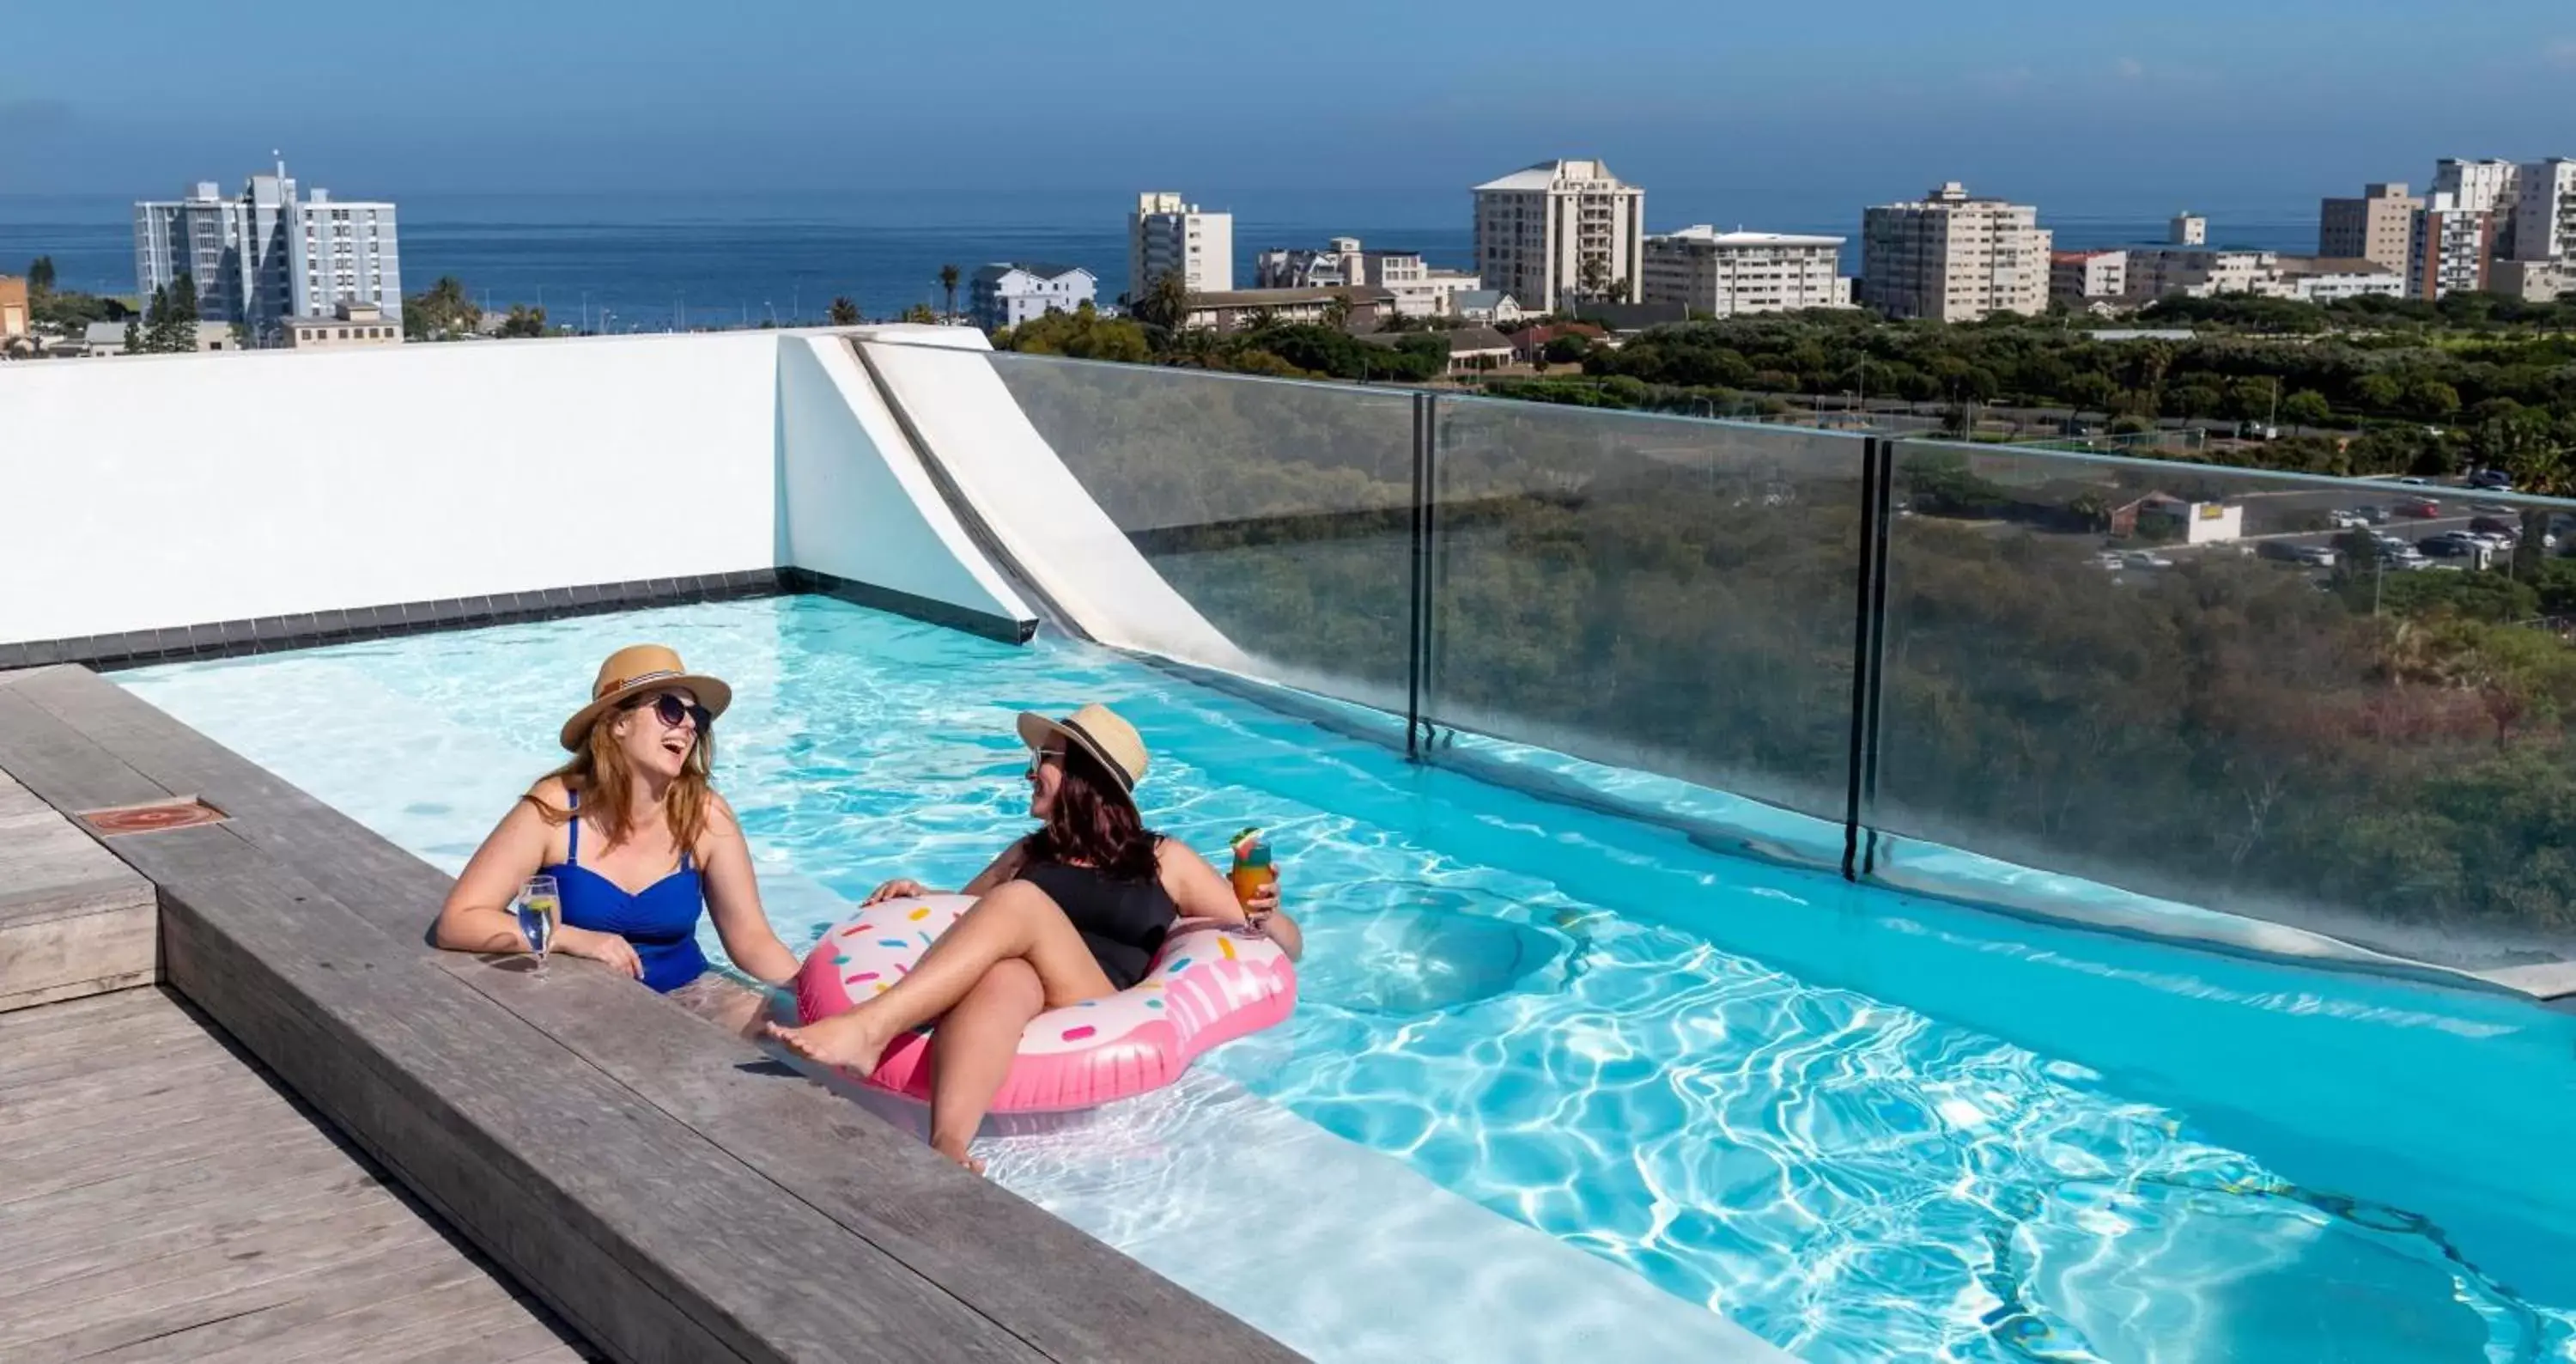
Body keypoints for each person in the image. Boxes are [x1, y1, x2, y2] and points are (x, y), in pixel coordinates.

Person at [768, 703, 1302, 1172]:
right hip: (1026, 991)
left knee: (1021, 900)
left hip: (1094, 998)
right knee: (1006, 972)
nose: (1030, 775)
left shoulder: (1163, 858)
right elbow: (967, 915)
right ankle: (948, 1143)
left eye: (1041, 762)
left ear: (1082, 776)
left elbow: (1276, 939)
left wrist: (1269, 914)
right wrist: (920, 894)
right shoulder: (1030, 852)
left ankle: (871, 1027)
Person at [435, 644, 799, 1036]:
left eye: (698, 717)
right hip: (580, 1005)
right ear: (617, 723)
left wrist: (822, 997)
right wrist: (574, 939)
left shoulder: (705, 815)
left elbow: (753, 940)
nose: (689, 726)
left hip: (691, 994)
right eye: (671, 710)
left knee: (807, 1043)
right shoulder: (555, 809)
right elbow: (460, 920)